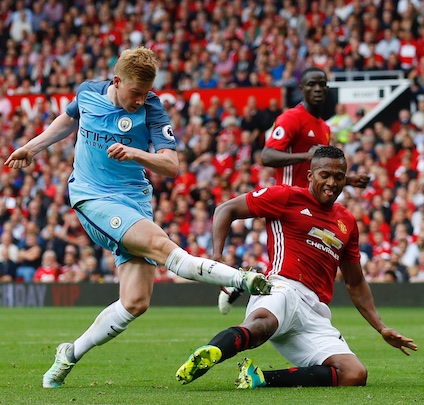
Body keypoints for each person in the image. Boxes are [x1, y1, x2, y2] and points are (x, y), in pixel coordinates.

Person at [4, 47, 272, 389]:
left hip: (135, 201)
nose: (140, 100)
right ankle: (243, 280)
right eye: (135, 93)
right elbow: (69, 119)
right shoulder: (88, 92)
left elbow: (172, 165)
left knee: (135, 302)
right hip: (92, 196)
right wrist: (33, 146)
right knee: (162, 246)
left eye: (146, 93)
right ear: (117, 81)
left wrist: (135, 152)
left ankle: (68, 354)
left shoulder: (153, 108)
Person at [177, 146, 417, 389]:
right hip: (283, 287)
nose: (332, 182)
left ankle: (259, 379)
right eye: (325, 175)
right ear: (311, 176)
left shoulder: (346, 222)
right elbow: (225, 209)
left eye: (339, 177)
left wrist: (381, 327)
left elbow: (355, 283)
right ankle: (213, 351)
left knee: (354, 374)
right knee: (262, 326)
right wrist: (217, 257)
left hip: (315, 311)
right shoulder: (286, 196)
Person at [219, 67, 369, 313]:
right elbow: (266, 155)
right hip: (287, 202)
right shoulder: (291, 118)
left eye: (322, 84)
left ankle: (248, 283)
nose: (318, 89)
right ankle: (245, 286)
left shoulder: (324, 127)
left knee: (295, 268)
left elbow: (320, 168)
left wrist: (349, 180)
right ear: (302, 89)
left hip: (311, 204)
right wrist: (304, 154)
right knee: (284, 270)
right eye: (312, 84)